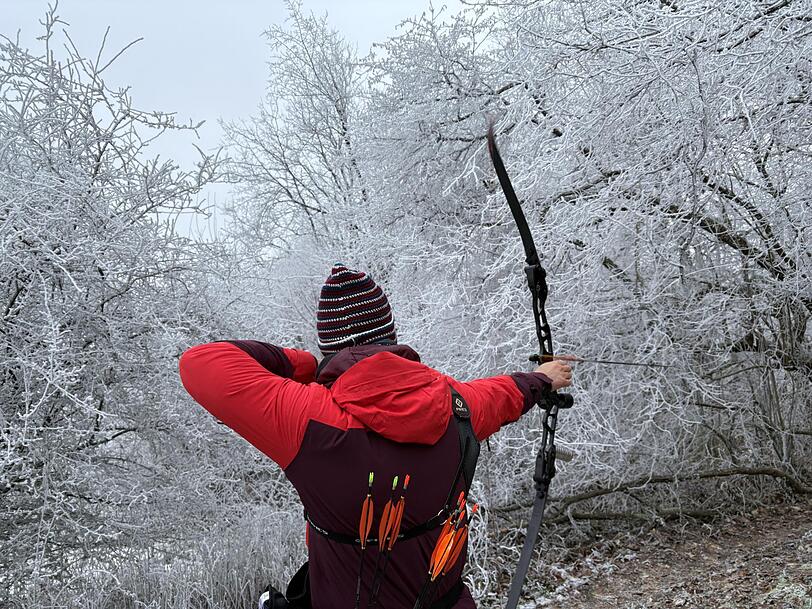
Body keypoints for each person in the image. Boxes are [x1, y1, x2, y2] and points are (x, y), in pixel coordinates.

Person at [179, 264, 573, 609]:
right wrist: (543, 378)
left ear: (330, 346)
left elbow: (199, 362)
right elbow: (505, 392)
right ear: (391, 335)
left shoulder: (304, 416)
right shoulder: (456, 405)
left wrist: (307, 365)